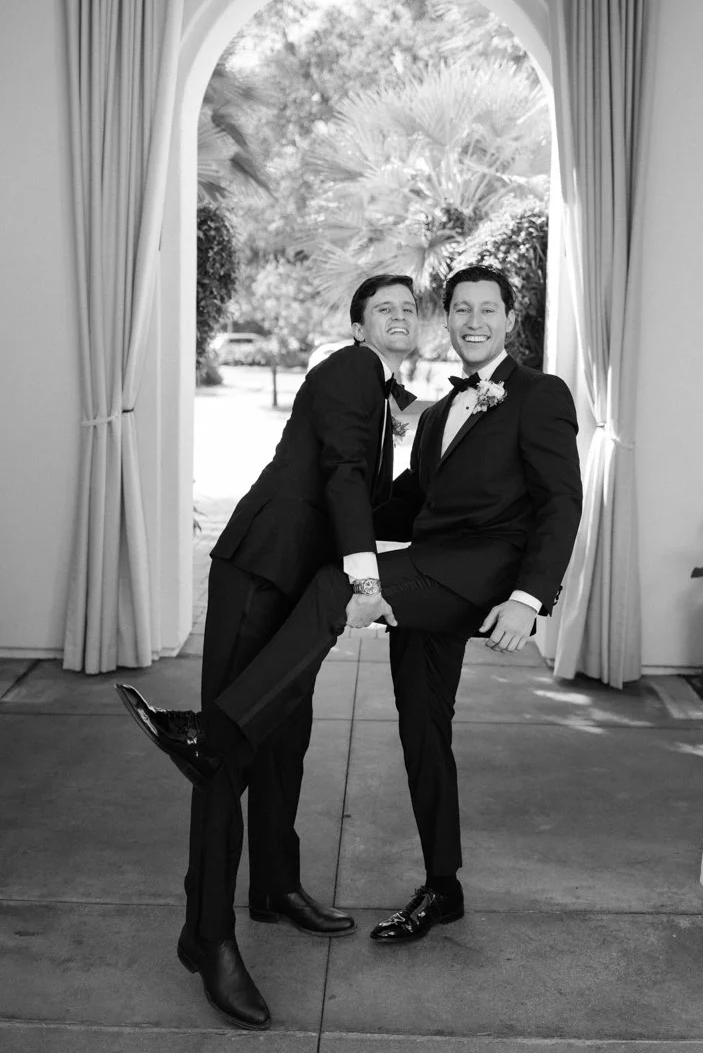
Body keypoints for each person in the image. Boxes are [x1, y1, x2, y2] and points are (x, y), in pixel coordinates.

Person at [166, 264, 583, 947]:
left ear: (511, 319)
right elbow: (402, 503)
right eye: (461, 308)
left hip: (475, 579)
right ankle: (442, 888)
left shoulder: (540, 394)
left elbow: (562, 501)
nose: (474, 321)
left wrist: (527, 597)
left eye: (489, 309)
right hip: (429, 580)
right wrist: (325, 489)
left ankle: (220, 732)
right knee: (423, 729)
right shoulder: (437, 413)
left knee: (339, 584)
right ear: (446, 320)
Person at [115, 274, 418, 1030]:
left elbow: (372, 500)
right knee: (226, 753)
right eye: (385, 307)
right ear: (358, 326)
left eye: (411, 308)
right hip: (260, 568)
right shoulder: (351, 368)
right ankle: (207, 936)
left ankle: (276, 887)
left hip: (299, 579)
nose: (401, 315)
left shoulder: (383, 395)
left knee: (286, 741)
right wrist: (367, 579)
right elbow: (341, 476)